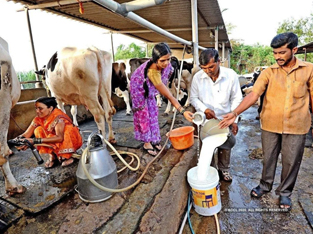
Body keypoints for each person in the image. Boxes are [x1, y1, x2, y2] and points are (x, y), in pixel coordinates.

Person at [219, 32, 313, 211]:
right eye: (275, 53)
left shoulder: (309, 69)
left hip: (297, 125)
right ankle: (264, 185)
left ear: (294, 50)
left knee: (291, 161)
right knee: (268, 157)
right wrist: (235, 113)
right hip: (270, 124)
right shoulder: (268, 72)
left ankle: (285, 193)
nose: (277, 57)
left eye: (282, 53)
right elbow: (254, 94)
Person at [130, 42, 193, 156]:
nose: (166, 63)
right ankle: (147, 142)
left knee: (153, 111)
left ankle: (154, 139)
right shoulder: (152, 73)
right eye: (162, 61)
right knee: (143, 115)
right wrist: (182, 111)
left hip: (149, 90)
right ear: (155, 60)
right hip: (138, 89)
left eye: (168, 59)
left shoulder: (166, 65)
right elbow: (169, 96)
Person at [190, 48, 243, 182]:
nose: (208, 71)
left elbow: (237, 98)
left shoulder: (230, 75)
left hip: (225, 118)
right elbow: (194, 98)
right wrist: (204, 109)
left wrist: (234, 119)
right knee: (206, 146)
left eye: (211, 67)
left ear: (219, 62)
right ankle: (211, 170)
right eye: (204, 68)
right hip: (206, 121)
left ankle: (224, 169)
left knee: (225, 146)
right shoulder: (198, 77)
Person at [17, 97, 83, 168]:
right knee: (38, 130)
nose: (37, 111)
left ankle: (68, 156)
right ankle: (52, 156)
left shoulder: (59, 118)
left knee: (68, 130)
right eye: (36, 108)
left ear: (50, 108)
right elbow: (26, 134)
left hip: (68, 139)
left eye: (40, 108)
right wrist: (18, 141)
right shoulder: (39, 118)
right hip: (54, 139)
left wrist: (35, 141)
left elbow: (59, 138)